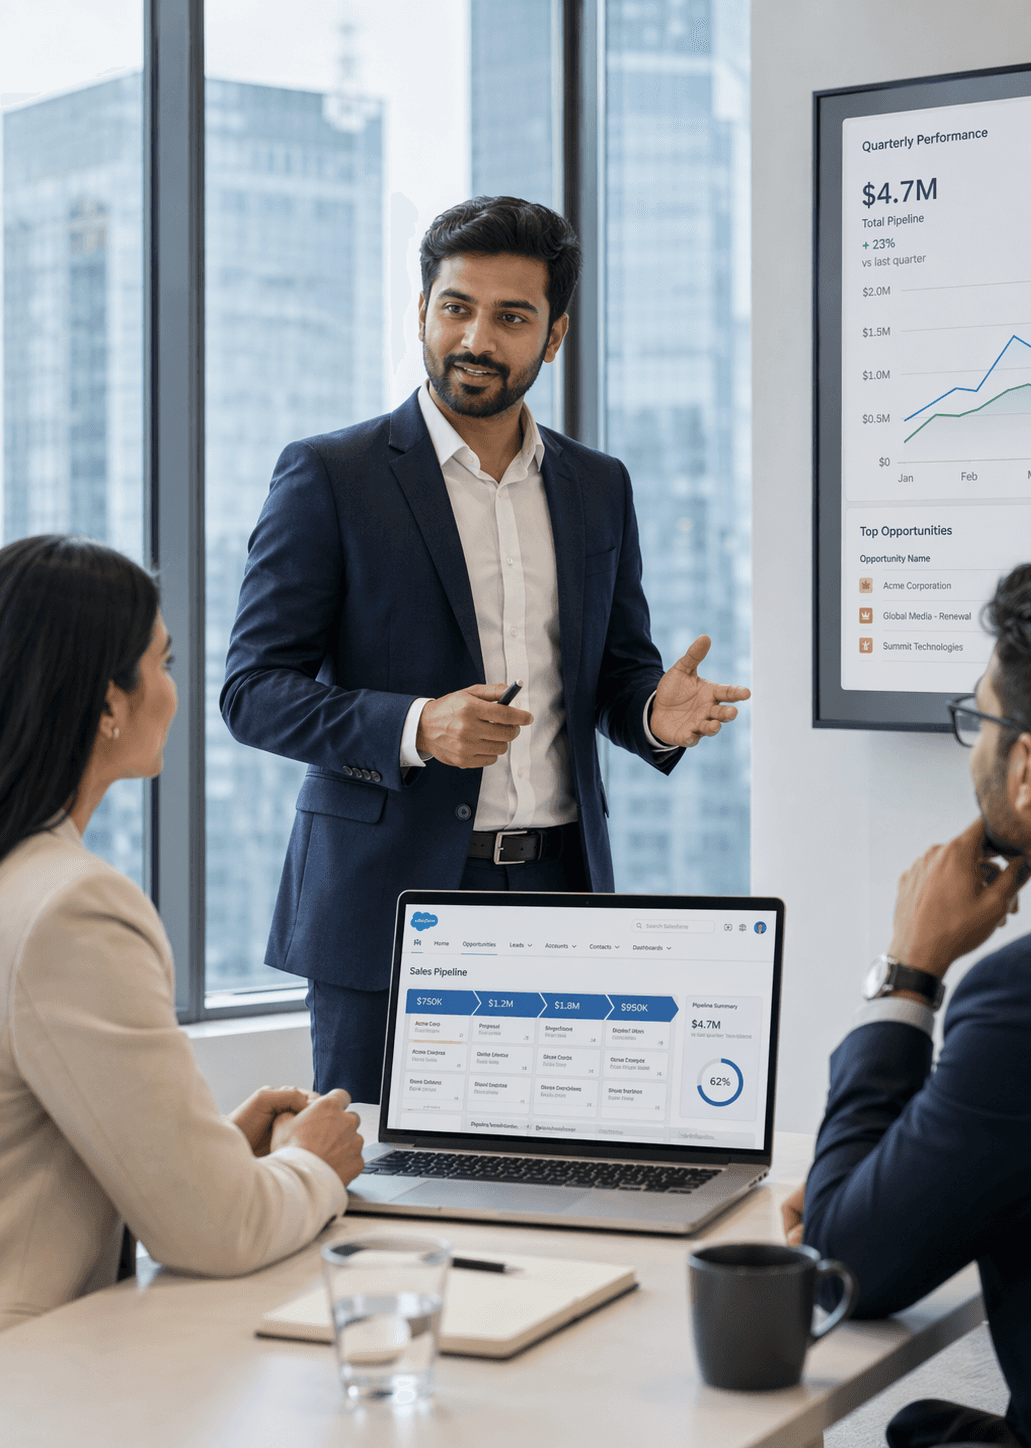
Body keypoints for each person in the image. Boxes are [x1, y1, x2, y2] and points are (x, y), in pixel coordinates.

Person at [221, 195, 750, 1102]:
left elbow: (616, 668)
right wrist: (418, 726)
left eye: (512, 317)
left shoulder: (598, 485)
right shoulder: (331, 475)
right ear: (420, 314)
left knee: (555, 1169)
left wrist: (653, 713)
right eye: (456, 307)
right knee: (375, 1186)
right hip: (385, 903)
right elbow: (252, 690)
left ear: (554, 336)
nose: (477, 337)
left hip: (557, 888)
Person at [0, 536, 364, 1334]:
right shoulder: (73, 907)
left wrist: (207, 1160)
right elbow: (216, 1235)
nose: (174, 691)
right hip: (32, 1377)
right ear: (107, 704)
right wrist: (314, 1161)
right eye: (163, 664)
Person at [783, 558, 1031, 1448]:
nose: (978, 748)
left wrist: (910, 971)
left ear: (1025, 765)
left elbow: (844, 1262)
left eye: (981, 723)